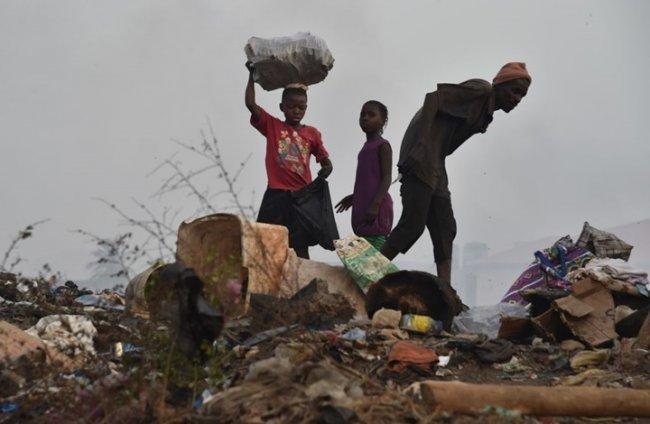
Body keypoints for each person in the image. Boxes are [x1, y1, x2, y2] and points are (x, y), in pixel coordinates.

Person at [380, 62, 532, 284]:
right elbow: (433, 99)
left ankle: (445, 288)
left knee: (445, 226)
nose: (517, 99)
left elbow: (450, 143)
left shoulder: (486, 113)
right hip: (422, 154)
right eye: (515, 91)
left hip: (436, 161)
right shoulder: (482, 90)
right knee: (412, 225)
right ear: (500, 84)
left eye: (522, 95)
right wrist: (421, 144)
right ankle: (369, 271)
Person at [245, 62, 333, 259]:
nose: (296, 110)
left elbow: (326, 161)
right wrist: (251, 76)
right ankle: (265, 279)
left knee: (300, 247)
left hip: (301, 197)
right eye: (291, 106)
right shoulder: (273, 126)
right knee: (265, 244)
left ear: (306, 108)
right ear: (282, 107)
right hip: (276, 194)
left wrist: (326, 168)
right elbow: (251, 104)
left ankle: (304, 278)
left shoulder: (312, 134)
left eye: (301, 107)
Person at [336, 101, 393, 251]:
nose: (365, 118)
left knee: (376, 259)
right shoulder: (365, 147)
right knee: (365, 258)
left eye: (371, 115)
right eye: (363, 114)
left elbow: (387, 178)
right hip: (364, 211)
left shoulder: (383, 145)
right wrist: (354, 197)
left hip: (376, 212)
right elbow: (369, 180)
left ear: (383, 121)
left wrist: (375, 205)